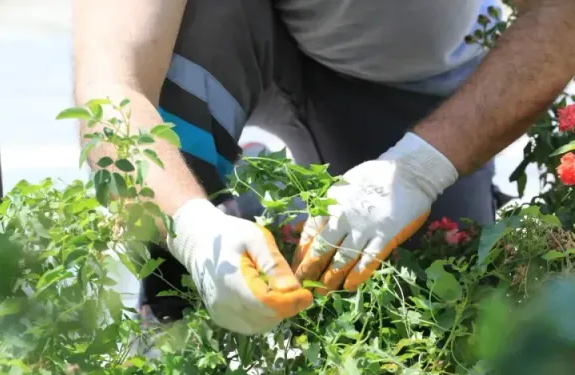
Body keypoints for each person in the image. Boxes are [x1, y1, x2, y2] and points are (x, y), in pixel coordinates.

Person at [73, 0, 575, 336]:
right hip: (238, 35)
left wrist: (424, 166)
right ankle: (175, 301)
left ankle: (259, 204)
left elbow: (561, 11)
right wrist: (191, 229)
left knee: (434, 304)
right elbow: (112, 84)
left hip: (406, 70)